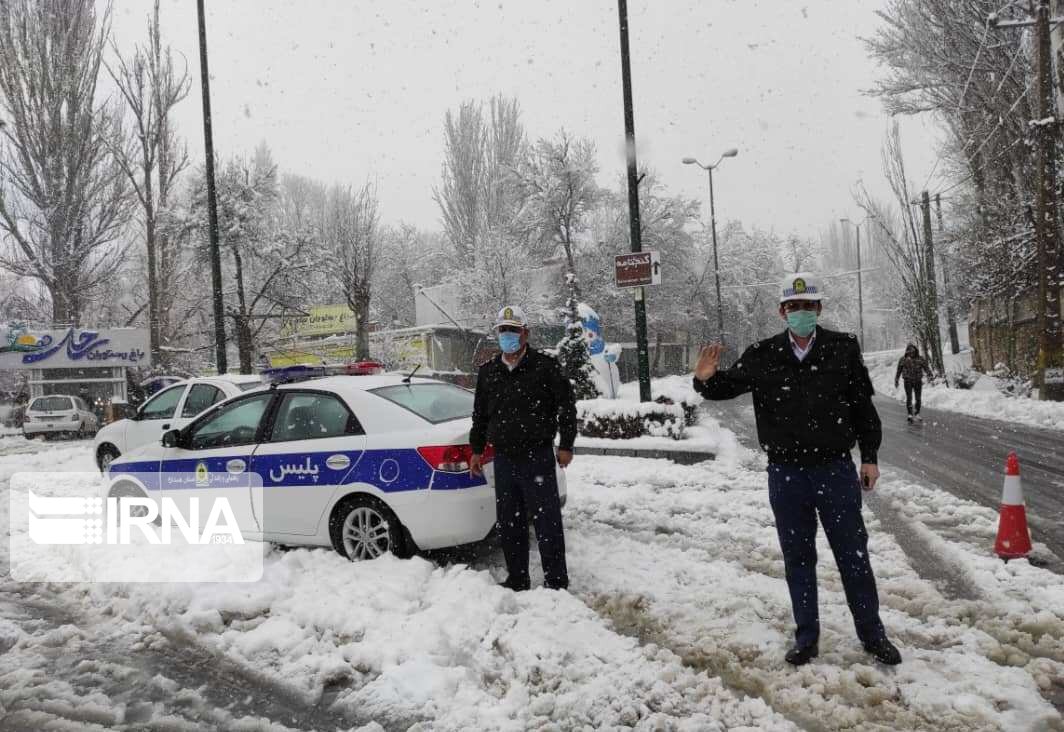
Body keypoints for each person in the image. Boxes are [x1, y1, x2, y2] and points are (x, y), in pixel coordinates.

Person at [692, 273, 902, 667]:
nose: (800, 313)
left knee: (853, 555)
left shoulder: (842, 349)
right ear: (782, 311)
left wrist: (869, 456)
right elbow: (725, 387)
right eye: (793, 307)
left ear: (819, 309)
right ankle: (807, 638)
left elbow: (862, 408)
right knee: (798, 558)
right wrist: (704, 381)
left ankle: (873, 635)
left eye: (807, 306)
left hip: (835, 471)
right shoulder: (763, 353)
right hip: (787, 475)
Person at [469, 305, 577, 591]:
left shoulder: (545, 366)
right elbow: (480, 414)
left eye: (513, 330)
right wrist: (477, 449)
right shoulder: (489, 372)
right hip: (504, 458)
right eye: (503, 330)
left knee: (547, 522)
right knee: (509, 522)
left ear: (525, 333)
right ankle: (517, 578)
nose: (508, 335)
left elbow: (566, 407)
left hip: (537, 456)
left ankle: (556, 581)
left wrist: (566, 445)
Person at [895, 343, 933, 423]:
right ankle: (910, 414)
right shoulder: (903, 359)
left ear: (915, 351)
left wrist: (930, 374)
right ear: (907, 352)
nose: (911, 353)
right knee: (909, 397)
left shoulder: (920, 359)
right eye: (910, 352)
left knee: (918, 398)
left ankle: (917, 413)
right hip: (907, 381)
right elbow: (899, 370)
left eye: (913, 352)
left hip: (918, 381)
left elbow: (926, 367)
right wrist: (896, 379)